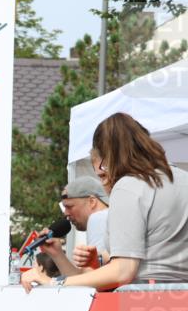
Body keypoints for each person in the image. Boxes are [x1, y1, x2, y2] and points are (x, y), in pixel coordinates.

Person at [24, 112, 188, 291]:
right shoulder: (181, 178)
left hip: (145, 300)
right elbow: (159, 245)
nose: (106, 182)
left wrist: (53, 282)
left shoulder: (129, 185)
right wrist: (104, 258)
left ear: (108, 159)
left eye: (103, 173)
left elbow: (123, 271)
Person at [21, 176, 110, 292]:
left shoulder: (99, 218)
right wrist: (57, 253)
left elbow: (88, 288)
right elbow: (84, 278)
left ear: (92, 201)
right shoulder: (108, 218)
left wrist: (46, 280)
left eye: (69, 206)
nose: (66, 214)